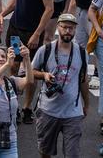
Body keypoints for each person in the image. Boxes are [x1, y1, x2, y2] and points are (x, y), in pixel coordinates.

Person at [30, 14, 89, 158]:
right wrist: (44, 75)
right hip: (48, 110)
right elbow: (30, 72)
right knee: (45, 152)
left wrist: (86, 104)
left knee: (72, 154)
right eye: (64, 27)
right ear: (58, 28)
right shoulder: (45, 50)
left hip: (73, 112)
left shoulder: (82, 53)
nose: (68, 31)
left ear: (75, 30)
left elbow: (83, 80)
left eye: (71, 28)